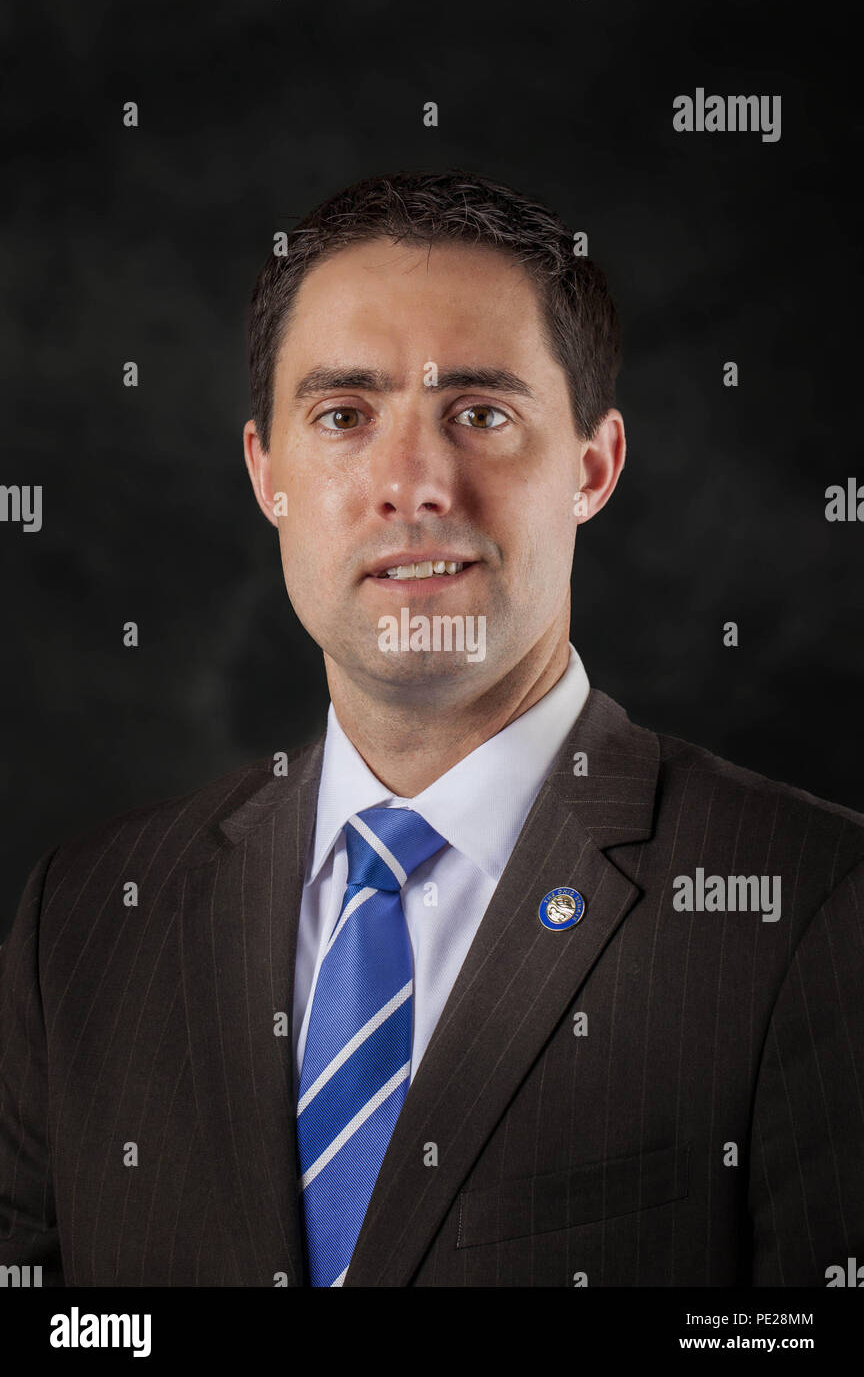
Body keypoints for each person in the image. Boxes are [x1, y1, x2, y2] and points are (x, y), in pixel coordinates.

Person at [1, 169, 862, 1289]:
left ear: (592, 468)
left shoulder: (814, 907)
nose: (411, 482)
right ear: (268, 473)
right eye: (345, 415)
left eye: (481, 413)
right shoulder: (80, 925)